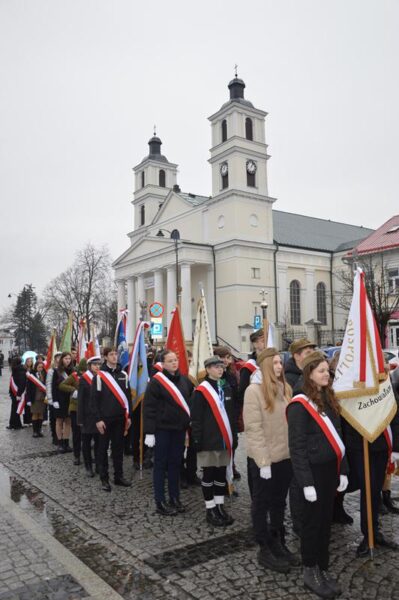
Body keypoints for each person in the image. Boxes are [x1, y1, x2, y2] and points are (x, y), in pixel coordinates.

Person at [287, 351, 349, 599]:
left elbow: (338, 437)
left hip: (329, 471)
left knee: (325, 523)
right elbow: (297, 447)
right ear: (309, 374)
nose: (327, 374)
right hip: (312, 474)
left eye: (327, 370)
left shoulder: (327, 397)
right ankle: (310, 570)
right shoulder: (300, 405)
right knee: (312, 525)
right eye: (322, 371)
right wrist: (306, 483)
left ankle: (322, 567)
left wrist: (343, 469)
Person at [244, 347, 298, 573]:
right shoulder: (253, 391)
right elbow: (253, 429)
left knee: (278, 503)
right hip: (264, 460)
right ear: (266, 365)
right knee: (261, 504)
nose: (279, 366)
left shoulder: (286, 388)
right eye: (275, 363)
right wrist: (263, 461)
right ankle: (264, 547)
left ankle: (278, 540)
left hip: (284, 457)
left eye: (280, 362)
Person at [342, 364, 399, 557]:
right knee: (367, 490)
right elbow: (346, 418)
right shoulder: (352, 385)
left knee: (374, 491)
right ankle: (368, 536)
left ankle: (375, 531)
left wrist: (396, 447)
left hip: (381, 446)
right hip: (361, 447)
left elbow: (394, 413)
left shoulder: (385, 383)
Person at [143, 349, 193, 515]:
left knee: (175, 464)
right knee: (160, 465)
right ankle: (160, 501)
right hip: (162, 430)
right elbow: (149, 409)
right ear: (162, 364)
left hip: (179, 430)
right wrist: (149, 432)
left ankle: (174, 498)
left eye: (175, 360)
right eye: (170, 360)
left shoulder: (184, 381)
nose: (174, 362)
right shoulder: (156, 382)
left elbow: (189, 402)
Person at [191, 356, 237, 527]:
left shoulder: (225, 387)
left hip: (223, 440)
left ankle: (219, 506)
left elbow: (231, 415)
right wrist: (197, 440)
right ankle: (210, 508)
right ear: (208, 369)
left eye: (222, 367)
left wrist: (234, 436)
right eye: (216, 367)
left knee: (220, 475)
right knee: (208, 475)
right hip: (208, 441)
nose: (220, 370)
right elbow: (196, 418)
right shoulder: (201, 391)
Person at [285, 338, 316, 536]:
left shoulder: (312, 373)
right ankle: (299, 523)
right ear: (296, 356)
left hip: (315, 437)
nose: (310, 354)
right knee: (297, 483)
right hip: (296, 436)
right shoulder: (288, 378)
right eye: (307, 352)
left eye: (312, 350)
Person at [91, 346, 132, 492]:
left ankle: (118, 476)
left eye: (116, 354)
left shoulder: (123, 375)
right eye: (112, 354)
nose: (115, 357)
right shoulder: (99, 376)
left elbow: (128, 397)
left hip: (120, 418)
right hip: (105, 420)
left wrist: (129, 416)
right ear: (106, 357)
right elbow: (94, 400)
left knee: (118, 449)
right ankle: (104, 478)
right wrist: (98, 419)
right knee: (102, 449)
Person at [238, 329, 266, 496]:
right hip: (256, 415)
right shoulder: (249, 367)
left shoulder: (273, 362)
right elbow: (242, 393)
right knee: (255, 456)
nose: (265, 342)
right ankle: (256, 494)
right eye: (262, 340)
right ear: (255, 343)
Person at [214, 346, 241, 481]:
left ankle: (231, 465)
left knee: (233, 443)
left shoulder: (232, 375)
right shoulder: (213, 376)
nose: (225, 360)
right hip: (217, 418)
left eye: (227, 357)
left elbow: (237, 397)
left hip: (231, 417)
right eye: (222, 357)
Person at [77, 356, 101, 477]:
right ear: (89, 366)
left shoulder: (101, 378)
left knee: (98, 442)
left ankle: (98, 465)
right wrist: (80, 419)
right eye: (95, 364)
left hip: (98, 416)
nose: (97, 366)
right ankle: (88, 466)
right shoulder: (84, 379)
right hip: (87, 417)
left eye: (98, 364)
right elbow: (80, 400)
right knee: (86, 443)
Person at [59, 359, 86, 465]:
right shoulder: (74, 375)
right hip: (75, 408)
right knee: (76, 434)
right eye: (83, 370)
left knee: (87, 435)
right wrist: (73, 390)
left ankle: (86, 455)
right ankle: (77, 456)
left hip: (87, 409)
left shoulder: (92, 376)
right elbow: (62, 385)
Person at [52, 352, 74, 453]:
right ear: (62, 360)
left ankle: (66, 443)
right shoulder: (56, 371)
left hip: (70, 399)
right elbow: (53, 387)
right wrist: (55, 400)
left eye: (69, 359)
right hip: (60, 399)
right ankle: (60, 443)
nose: (68, 360)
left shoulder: (73, 371)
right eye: (66, 358)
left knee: (68, 421)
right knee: (59, 421)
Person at [26, 360, 47, 438]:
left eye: (42, 367)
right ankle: (35, 431)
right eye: (39, 367)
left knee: (41, 414)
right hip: (34, 398)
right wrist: (28, 399)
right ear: (35, 367)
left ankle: (39, 430)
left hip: (43, 398)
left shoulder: (45, 374)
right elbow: (28, 388)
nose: (40, 369)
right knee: (35, 414)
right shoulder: (32, 375)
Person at [46, 351, 62, 445]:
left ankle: (61, 436)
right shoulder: (51, 371)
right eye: (58, 357)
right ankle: (54, 436)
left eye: (61, 357)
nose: (59, 359)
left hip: (62, 398)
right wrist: (50, 399)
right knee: (53, 418)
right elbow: (48, 385)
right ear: (55, 359)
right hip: (53, 398)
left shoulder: (64, 370)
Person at [7, 356, 25, 430]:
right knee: (14, 408)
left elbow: (21, 383)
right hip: (15, 393)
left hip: (17, 393)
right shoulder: (17, 369)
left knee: (15, 409)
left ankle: (15, 424)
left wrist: (18, 394)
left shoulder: (19, 370)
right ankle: (15, 424)